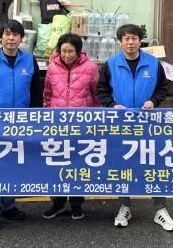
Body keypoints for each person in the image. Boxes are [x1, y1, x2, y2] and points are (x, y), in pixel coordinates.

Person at [97, 24, 173, 232]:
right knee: (123, 164)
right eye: (126, 39)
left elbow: (163, 88)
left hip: (148, 123)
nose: (130, 42)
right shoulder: (111, 64)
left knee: (154, 165)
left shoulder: (153, 63)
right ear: (120, 42)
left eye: (134, 38)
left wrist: (153, 101)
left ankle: (160, 209)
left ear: (140, 41)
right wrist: (112, 106)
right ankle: (124, 206)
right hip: (121, 124)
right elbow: (102, 90)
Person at [0, 19, 43, 231]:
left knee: (13, 163)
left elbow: (35, 93)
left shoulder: (29, 60)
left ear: (21, 39)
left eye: (15, 34)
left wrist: (35, 120)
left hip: (20, 122)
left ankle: (8, 205)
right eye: (7, 34)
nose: (11, 38)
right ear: (0, 37)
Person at [42, 33, 100, 220]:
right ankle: (57, 202)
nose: (66, 55)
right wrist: (47, 115)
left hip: (81, 124)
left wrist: (97, 119)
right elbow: (47, 93)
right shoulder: (52, 67)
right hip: (57, 124)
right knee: (57, 162)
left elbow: (96, 94)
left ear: (78, 51)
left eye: (71, 52)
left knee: (78, 163)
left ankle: (76, 203)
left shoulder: (90, 67)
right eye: (63, 51)